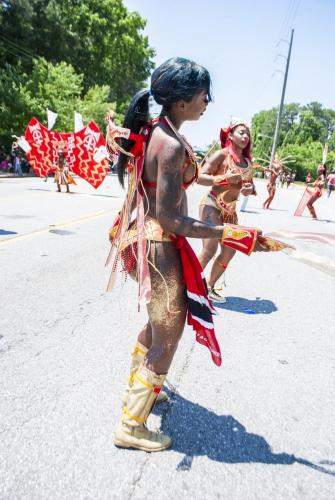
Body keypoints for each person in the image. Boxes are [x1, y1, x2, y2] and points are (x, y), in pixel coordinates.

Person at [106, 58, 270, 452]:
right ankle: (131, 425)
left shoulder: (158, 131)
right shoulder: (171, 143)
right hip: (160, 244)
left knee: (156, 323)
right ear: (180, 101)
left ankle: (141, 385)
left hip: (150, 240)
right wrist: (227, 231)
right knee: (169, 334)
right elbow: (170, 216)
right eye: (202, 95)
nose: (206, 102)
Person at [197, 118, 255, 302]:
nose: (245, 136)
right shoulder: (222, 155)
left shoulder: (247, 162)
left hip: (230, 211)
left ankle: (208, 287)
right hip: (212, 204)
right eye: (241, 132)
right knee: (210, 248)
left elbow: (250, 186)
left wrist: (249, 189)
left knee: (230, 250)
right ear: (230, 135)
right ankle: (187, 286)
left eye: (247, 134)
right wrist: (223, 179)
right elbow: (199, 176)